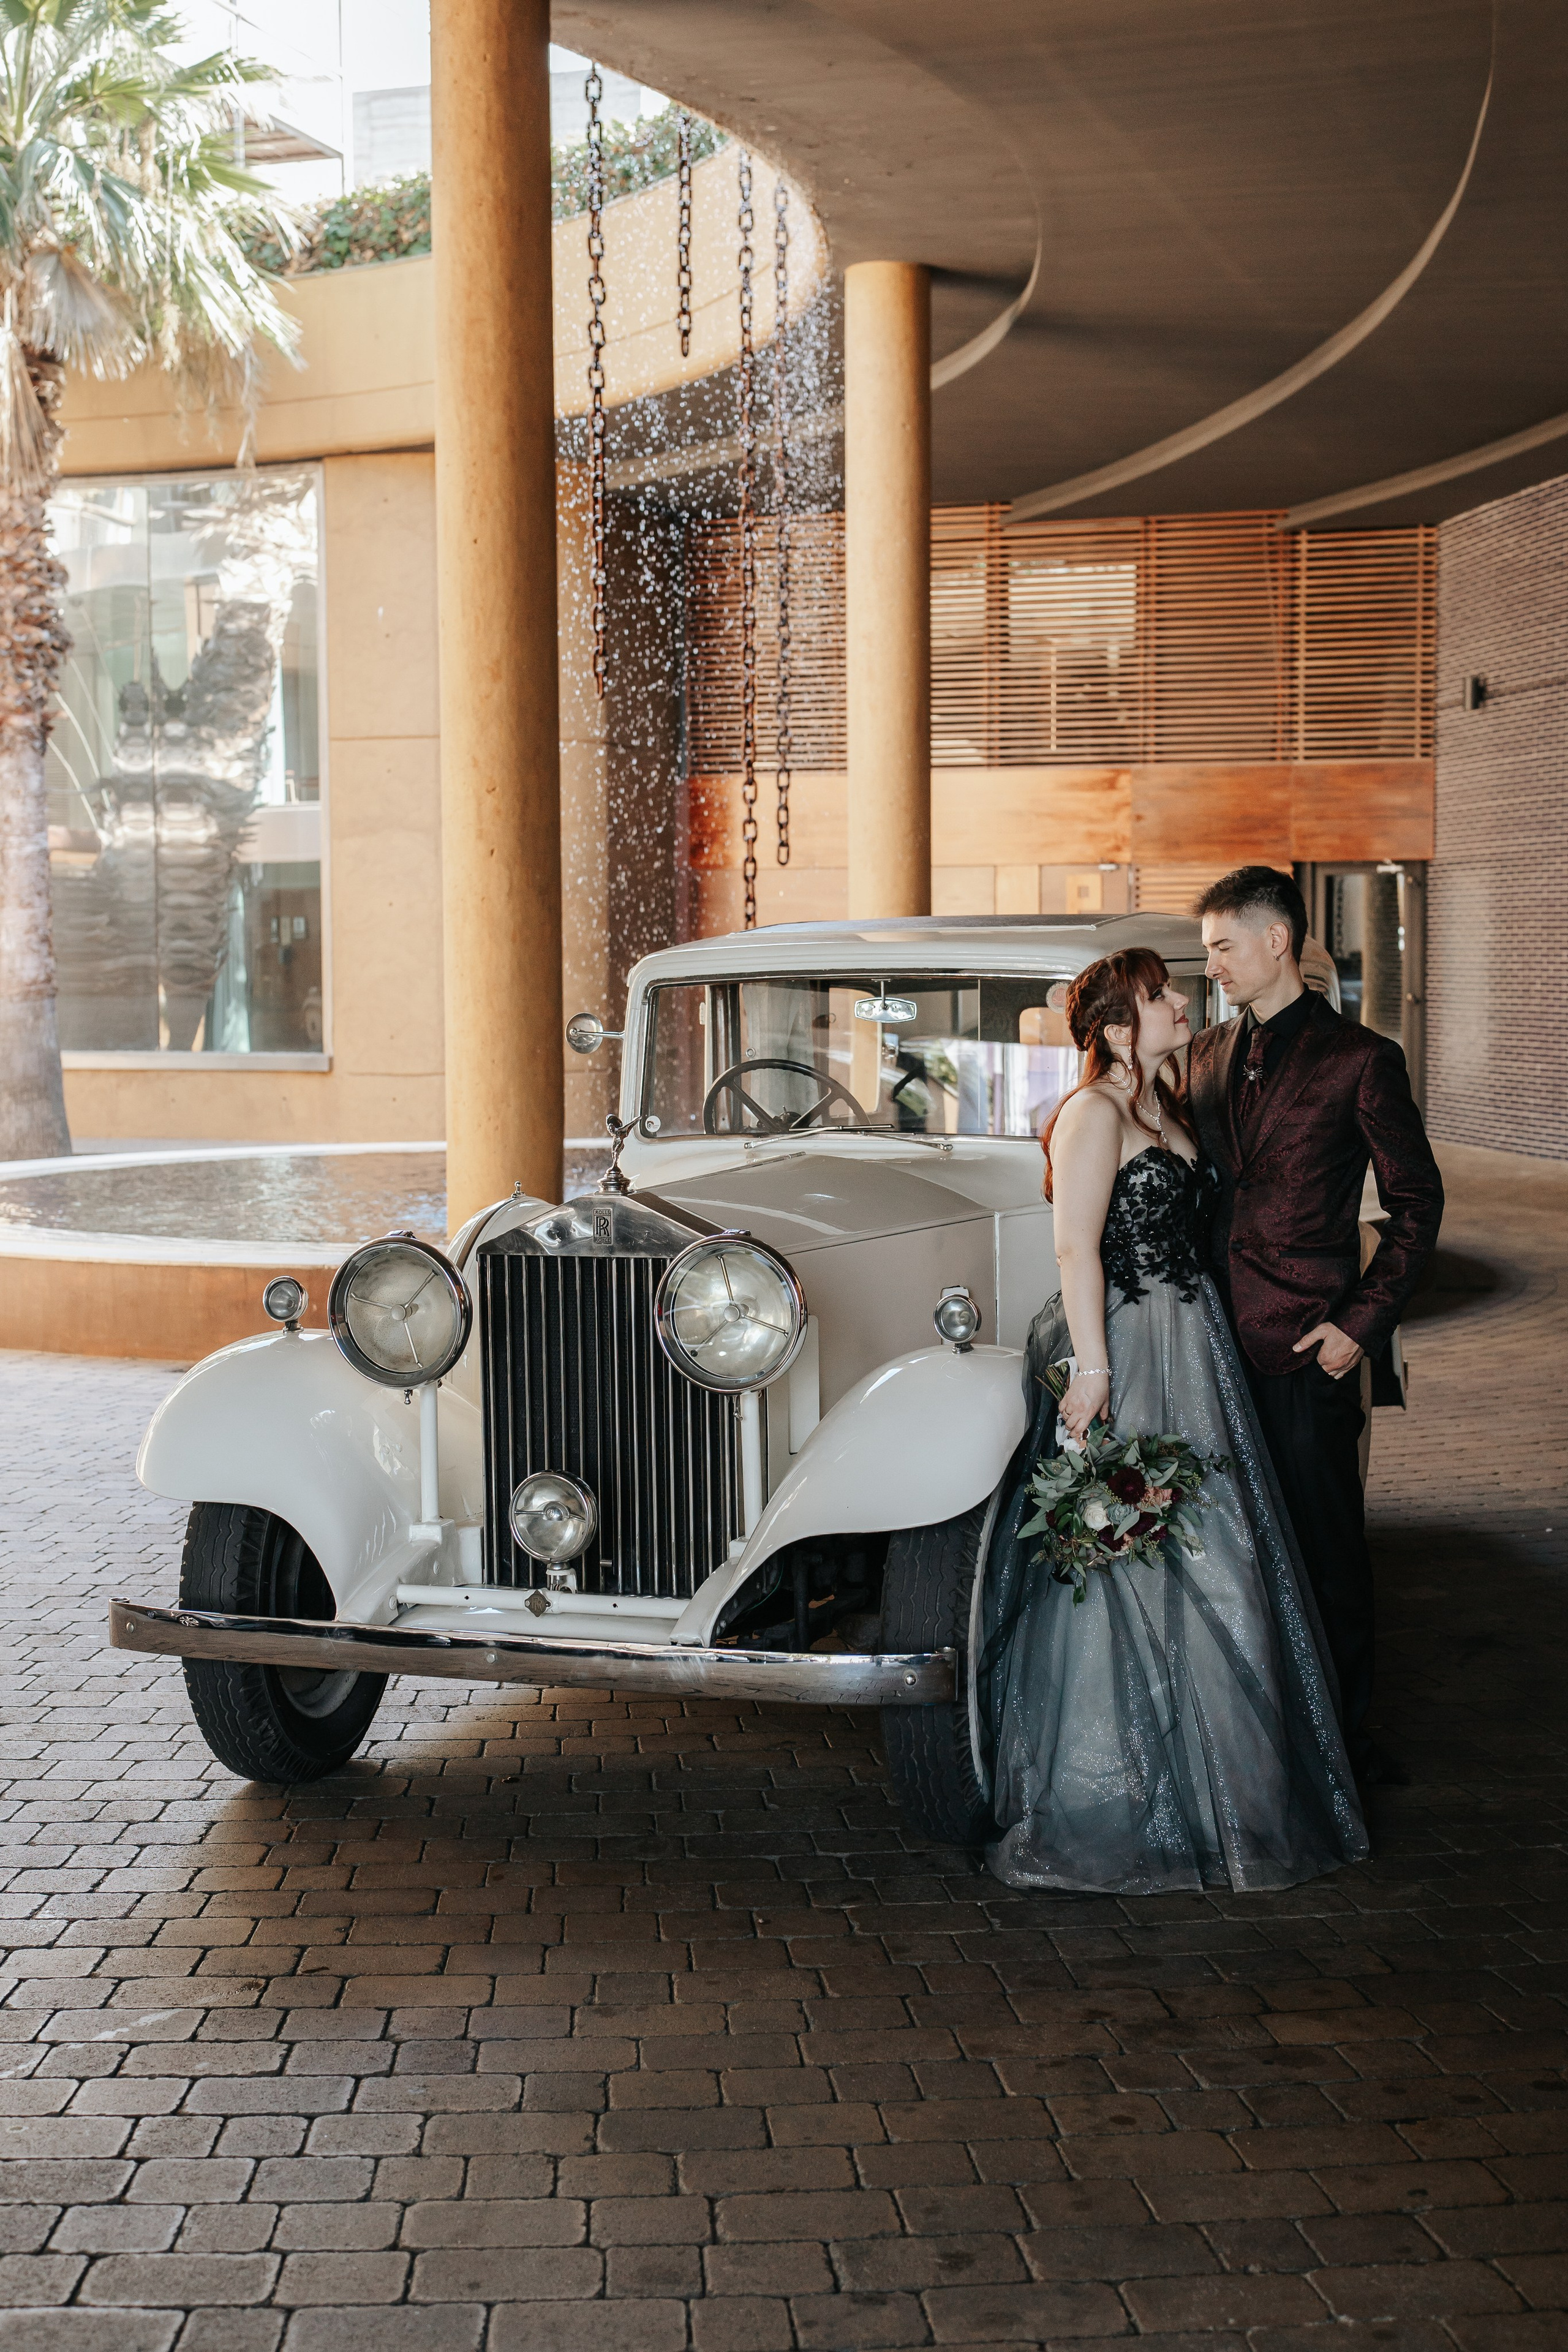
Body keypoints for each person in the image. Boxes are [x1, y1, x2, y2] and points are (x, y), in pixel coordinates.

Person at [984, 948, 1368, 1895]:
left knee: (1223, 1562)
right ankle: (1126, 1802)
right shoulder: (1092, 1114)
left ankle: (1227, 1796)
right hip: (1134, 1346)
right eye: (1163, 996)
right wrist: (1095, 1367)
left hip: (1202, 1347)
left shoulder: (1167, 1107)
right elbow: (1077, 1247)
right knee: (1140, 1561)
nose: (1183, 1003)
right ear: (1119, 1027)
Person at [1188, 865, 1443, 1782]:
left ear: (1276, 940)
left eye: (1223, 944)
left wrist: (1359, 1328)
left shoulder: (1361, 1059)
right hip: (1210, 1344)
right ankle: (1262, 1740)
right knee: (1236, 1549)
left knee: (1328, 1555)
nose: (1211, 961)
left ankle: (1344, 1752)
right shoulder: (1206, 1055)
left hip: (1309, 1349)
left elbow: (1418, 1204)